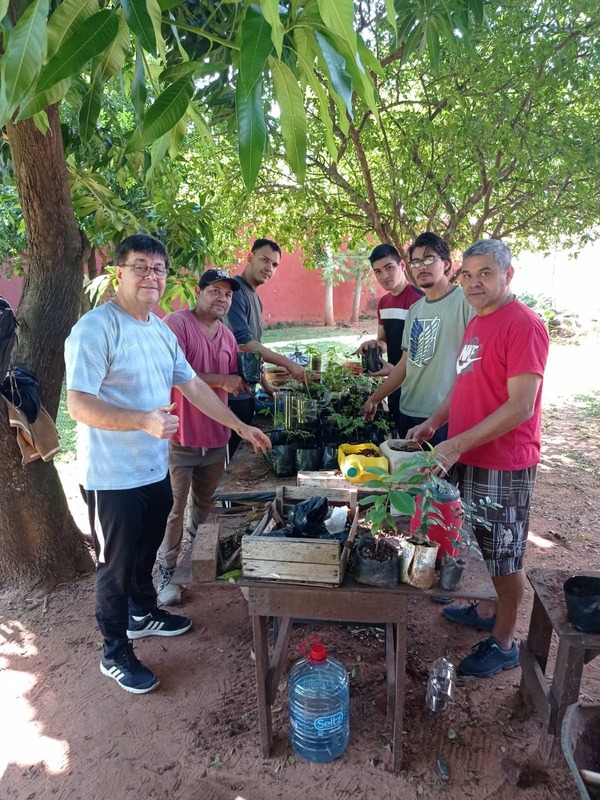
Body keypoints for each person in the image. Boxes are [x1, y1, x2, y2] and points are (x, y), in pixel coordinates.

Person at [64, 234, 270, 695]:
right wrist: (141, 419)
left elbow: (194, 386)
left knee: (147, 548)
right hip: (110, 476)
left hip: (153, 469)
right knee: (115, 565)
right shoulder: (96, 329)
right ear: (118, 272)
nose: (150, 276)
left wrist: (238, 427)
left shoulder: (158, 330)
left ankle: (143, 612)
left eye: (158, 269)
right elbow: (78, 403)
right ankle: (114, 651)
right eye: (140, 266)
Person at [407, 239, 549, 678]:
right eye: (467, 275)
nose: (473, 283)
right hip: (469, 451)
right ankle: (486, 609)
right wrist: (435, 423)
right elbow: (464, 385)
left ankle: (504, 643)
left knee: (505, 558)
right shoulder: (479, 322)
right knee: (480, 544)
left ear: (508, 274)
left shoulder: (523, 325)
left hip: (503, 462)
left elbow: (521, 406)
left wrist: (457, 444)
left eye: (485, 273)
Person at [155, 269, 247, 605]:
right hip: (181, 436)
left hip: (216, 438)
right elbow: (175, 375)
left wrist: (252, 381)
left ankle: (198, 560)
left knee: (206, 507)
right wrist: (222, 380)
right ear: (199, 291)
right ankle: (165, 568)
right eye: (215, 291)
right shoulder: (176, 324)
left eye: (228, 295)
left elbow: (233, 378)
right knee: (173, 510)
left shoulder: (228, 337)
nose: (221, 299)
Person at [360, 232, 473, 445]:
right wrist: (374, 399)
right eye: (416, 261)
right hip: (408, 409)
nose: (422, 266)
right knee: (409, 476)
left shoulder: (465, 302)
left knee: (438, 477)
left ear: (447, 265)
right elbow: (405, 364)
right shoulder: (415, 310)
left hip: (442, 416)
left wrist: (438, 418)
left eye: (429, 259)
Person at [225, 238, 306, 454]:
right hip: (231, 394)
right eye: (264, 260)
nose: (269, 268)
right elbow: (245, 345)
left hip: (248, 392)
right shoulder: (235, 292)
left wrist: (266, 386)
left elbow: (255, 351)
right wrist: (288, 363)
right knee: (236, 457)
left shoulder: (256, 299)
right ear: (250, 258)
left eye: (274, 265)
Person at [356, 244, 422, 432]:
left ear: (402, 265)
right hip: (393, 385)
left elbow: (424, 358)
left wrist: (397, 371)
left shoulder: (420, 301)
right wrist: (375, 344)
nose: (384, 275)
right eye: (378, 271)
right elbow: (384, 341)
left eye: (389, 267)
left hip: (416, 387)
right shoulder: (384, 303)